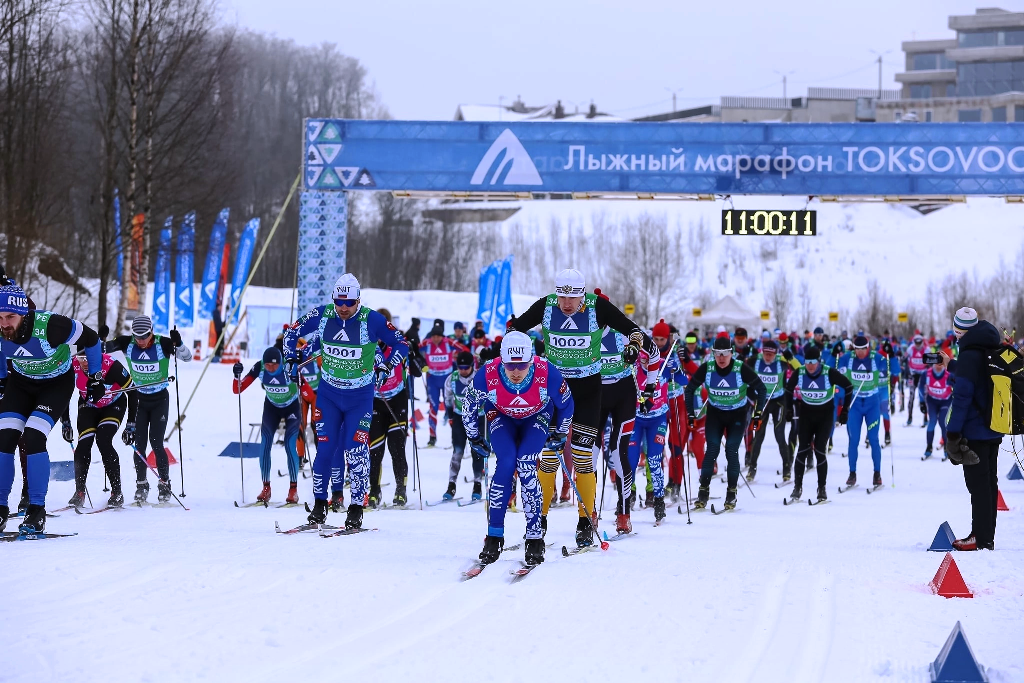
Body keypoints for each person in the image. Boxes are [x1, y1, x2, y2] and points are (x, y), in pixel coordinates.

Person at [508, 268, 657, 547]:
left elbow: (632, 329)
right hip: (554, 391)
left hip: (588, 391)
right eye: (562, 296)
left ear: (583, 295)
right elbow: (515, 328)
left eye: (573, 297)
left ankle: (585, 521)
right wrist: (514, 349)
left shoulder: (597, 307)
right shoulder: (546, 305)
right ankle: (538, 521)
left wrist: (634, 347)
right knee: (549, 455)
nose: (566, 303)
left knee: (582, 456)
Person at [284, 274, 408, 530]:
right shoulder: (323, 314)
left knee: (355, 451)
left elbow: (402, 343)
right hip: (328, 396)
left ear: (358, 300)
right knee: (325, 451)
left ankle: (355, 508)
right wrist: (290, 358)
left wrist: (386, 364)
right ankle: (320, 506)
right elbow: (292, 332)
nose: (343, 307)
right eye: (339, 301)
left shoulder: (371, 319)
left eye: (349, 302)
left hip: (359, 398)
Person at [0, 283, 102, 534]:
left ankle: (36, 510)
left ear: (24, 314)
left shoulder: (52, 326)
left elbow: (92, 339)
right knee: (4, 438)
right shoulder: (1, 328)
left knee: (33, 437)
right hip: (20, 385)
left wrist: (96, 377)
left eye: (10, 317)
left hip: (55, 386)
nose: (5, 324)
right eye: (0, 317)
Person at [465, 332, 573, 566]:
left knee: (525, 463)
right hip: (501, 416)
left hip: (537, 416)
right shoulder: (488, 373)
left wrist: (561, 433)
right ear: (501, 360)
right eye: (510, 365)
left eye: (522, 365)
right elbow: (468, 406)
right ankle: (494, 536)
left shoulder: (546, 372)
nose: (516, 372)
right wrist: (474, 437)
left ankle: (534, 537)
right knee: (505, 462)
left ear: (531, 360)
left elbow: (567, 404)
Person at [104, 315, 192, 504]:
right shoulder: (126, 343)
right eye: (137, 337)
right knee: (139, 445)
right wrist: (100, 339)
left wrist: (180, 343)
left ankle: (164, 485)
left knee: (157, 443)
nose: (141, 341)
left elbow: (187, 357)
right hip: (139, 400)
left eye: (144, 336)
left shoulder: (164, 344)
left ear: (151, 332)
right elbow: (101, 350)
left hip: (160, 399)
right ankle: (141, 485)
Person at [684, 336, 767, 511]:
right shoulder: (708, 368)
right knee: (712, 449)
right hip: (715, 414)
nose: (721, 358)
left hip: (737, 415)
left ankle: (731, 493)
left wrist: (757, 414)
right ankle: (703, 493)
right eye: (718, 354)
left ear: (731, 353)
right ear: (713, 354)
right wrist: (691, 414)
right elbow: (690, 389)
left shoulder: (740, 369)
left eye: (725, 354)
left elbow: (761, 388)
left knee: (731, 449)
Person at [945, 307, 1002, 551]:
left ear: (960, 330)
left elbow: (963, 397)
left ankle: (979, 537)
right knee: (989, 484)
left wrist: (953, 433)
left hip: (975, 431)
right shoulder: (989, 344)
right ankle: (986, 537)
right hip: (994, 426)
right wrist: (951, 365)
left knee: (978, 486)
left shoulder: (969, 354)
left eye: (957, 331)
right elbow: (977, 376)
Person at [625, 319, 683, 526]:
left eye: (650, 361)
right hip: (636, 419)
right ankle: (626, 499)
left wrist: (679, 369)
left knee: (654, 459)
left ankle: (658, 501)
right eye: (644, 359)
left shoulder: (667, 362)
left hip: (658, 417)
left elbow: (684, 383)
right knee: (630, 460)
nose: (646, 363)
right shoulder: (635, 364)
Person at [63, 350, 137, 509]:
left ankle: (117, 492)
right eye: (81, 357)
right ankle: (79, 492)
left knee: (103, 440)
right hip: (88, 406)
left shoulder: (111, 366)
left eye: (89, 357)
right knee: (83, 444)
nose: (85, 361)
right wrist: (66, 422)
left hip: (113, 405)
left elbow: (133, 392)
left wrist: (131, 425)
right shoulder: (72, 366)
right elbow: (62, 394)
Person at [232, 347, 302, 505]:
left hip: (292, 407)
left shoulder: (288, 367)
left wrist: (300, 381)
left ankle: (293, 490)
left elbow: (308, 386)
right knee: (264, 445)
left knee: (290, 445)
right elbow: (238, 389)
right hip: (272, 408)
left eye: (274, 366)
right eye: (268, 365)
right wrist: (237, 376)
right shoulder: (260, 367)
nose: (270, 368)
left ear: (281, 363)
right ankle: (266, 488)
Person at [784, 346, 853, 502]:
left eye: (813, 362)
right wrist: (789, 409)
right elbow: (788, 388)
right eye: (807, 362)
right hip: (806, 414)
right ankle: (797, 487)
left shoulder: (828, 372)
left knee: (820, 450)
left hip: (825, 415)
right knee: (802, 449)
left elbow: (848, 386)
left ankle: (821, 489)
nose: (809, 365)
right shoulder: (800, 372)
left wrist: (845, 411)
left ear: (819, 361)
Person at [369, 327, 413, 508]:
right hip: (376, 403)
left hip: (397, 402)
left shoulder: (396, 350)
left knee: (397, 449)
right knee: (375, 451)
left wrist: (414, 354)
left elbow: (416, 371)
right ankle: (374, 491)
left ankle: (400, 490)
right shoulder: (366, 350)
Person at [837, 335, 888, 488]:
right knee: (854, 440)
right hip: (855, 404)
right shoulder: (847, 358)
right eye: (857, 349)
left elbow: (891, 373)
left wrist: (890, 356)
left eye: (863, 349)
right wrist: (842, 405)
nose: (860, 353)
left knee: (873, 439)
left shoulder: (877, 359)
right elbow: (838, 379)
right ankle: (852, 474)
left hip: (872, 403)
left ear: (868, 348)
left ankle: (877, 473)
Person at [744, 339, 794, 482]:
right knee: (758, 435)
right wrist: (750, 394)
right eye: (766, 353)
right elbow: (741, 370)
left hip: (778, 401)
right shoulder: (755, 361)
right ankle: (752, 469)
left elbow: (799, 369)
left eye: (771, 354)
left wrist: (791, 357)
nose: (768, 357)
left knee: (779, 434)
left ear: (776, 354)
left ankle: (786, 468)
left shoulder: (781, 362)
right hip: (762, 402)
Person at [442, 351, 484, 501]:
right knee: (457, 452)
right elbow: (447, 397)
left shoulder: (480, 376)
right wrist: (450, 414)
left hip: (478, 417)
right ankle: (451, 485)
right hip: (460, 417)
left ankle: (477, 485)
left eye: (466, 367)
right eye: (460, 367)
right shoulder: (452, 378)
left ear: (472, 366)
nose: (463, 370)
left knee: (477, 452)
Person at [419, 324, 465, 447]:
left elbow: (464, 350)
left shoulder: (448, 342)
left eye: (438, 336)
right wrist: (420, 361)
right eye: (434, 336)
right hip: (432, 379)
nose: (436, 339)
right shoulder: (427, 343)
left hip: (447, 380)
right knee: (433, 407)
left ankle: (456, 438)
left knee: (450, 408)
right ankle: (432, 438)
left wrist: (460, 360)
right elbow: (414, 349)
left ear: (442, 336)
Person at [295, 339, 320, 467]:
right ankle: (299, 458)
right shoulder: (294, 362)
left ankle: (320, 457)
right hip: (302, 397)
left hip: (317, 395)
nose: (300, 355)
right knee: (300, 425)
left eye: (301, 352)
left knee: (316, 425)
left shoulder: (316, 358)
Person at [923, 355, 952, 459]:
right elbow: (921, 387)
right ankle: (929, 447)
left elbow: (957, 387)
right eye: (937, 363)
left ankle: (946, 447)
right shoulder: (927, 374)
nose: (939, 366)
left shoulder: (949, 374)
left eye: (941, 364)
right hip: (932, 402)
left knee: (943, 422)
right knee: (932, 422)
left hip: (945, 402)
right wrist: (922, 402)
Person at [905, 334, 928, 426]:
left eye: (919, 343)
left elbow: (931, 361)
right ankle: (909, 417)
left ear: (922, 342)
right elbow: (904, 358)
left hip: (923, 375)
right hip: (913, 374)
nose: (918, 345)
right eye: (916, 343)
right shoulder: (911, 348)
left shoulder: (926, 349)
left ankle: (925, 418)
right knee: (911, 396)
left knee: (924, 396)